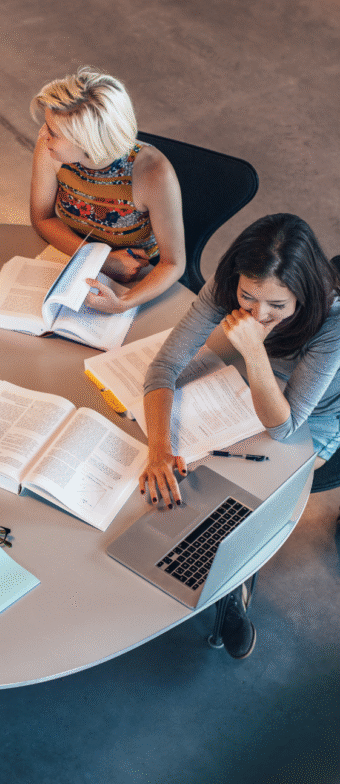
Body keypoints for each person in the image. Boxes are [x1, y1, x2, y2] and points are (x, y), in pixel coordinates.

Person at [140, 213, 340, 658]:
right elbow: (163, 368)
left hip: (316, 413)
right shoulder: (230, 285)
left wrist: (251, 348)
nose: (257, 313)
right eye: (247, 297)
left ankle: (232, 588)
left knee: (253, 491)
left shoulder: (332, 323)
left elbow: (286, 425)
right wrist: (159, 449)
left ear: (304, 297)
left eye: (276, 306)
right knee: (191, 468)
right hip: (249, 382)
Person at [29, 68, 186, 314]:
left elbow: (173, 263)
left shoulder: (153, 173)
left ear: (88, 141)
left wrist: (122, 303)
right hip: (76, 256)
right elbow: (42, 219)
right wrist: (104, 261)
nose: (42, 134)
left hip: (135, 273)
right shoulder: (50, 149)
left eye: (53, 132)